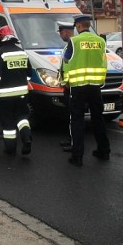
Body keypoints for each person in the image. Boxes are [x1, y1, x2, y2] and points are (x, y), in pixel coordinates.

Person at [61, 14, 110, 167]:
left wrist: (65, 81)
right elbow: (104, 62)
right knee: (98, 118)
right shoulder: (100, 41)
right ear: (88, 25)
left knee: (77, 120)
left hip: (78, 87)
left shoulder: (74, 42)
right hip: (95, 86)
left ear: (79, 26)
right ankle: (104, 151)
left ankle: (77, 157)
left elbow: (66, 62)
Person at [0, 26, 33, 155]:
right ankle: (26, 138)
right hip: (22, 93)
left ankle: (10, 148)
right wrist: (22, 80)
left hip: (6, 95)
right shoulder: (22, 52)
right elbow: (29, 73)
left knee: (8, 120)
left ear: (0, 39)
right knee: (22, 117)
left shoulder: (0, 53)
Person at [57, 21, 75, 152]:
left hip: (72, 87)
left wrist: (67, 82)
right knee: (70, 115)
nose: (60, 35)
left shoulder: (73, 45)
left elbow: (69, 66)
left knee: (72, 116)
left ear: (67, 32)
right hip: (71, 86)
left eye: (61, 32)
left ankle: (73, 142)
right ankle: (71, 139)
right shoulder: (69, 45)